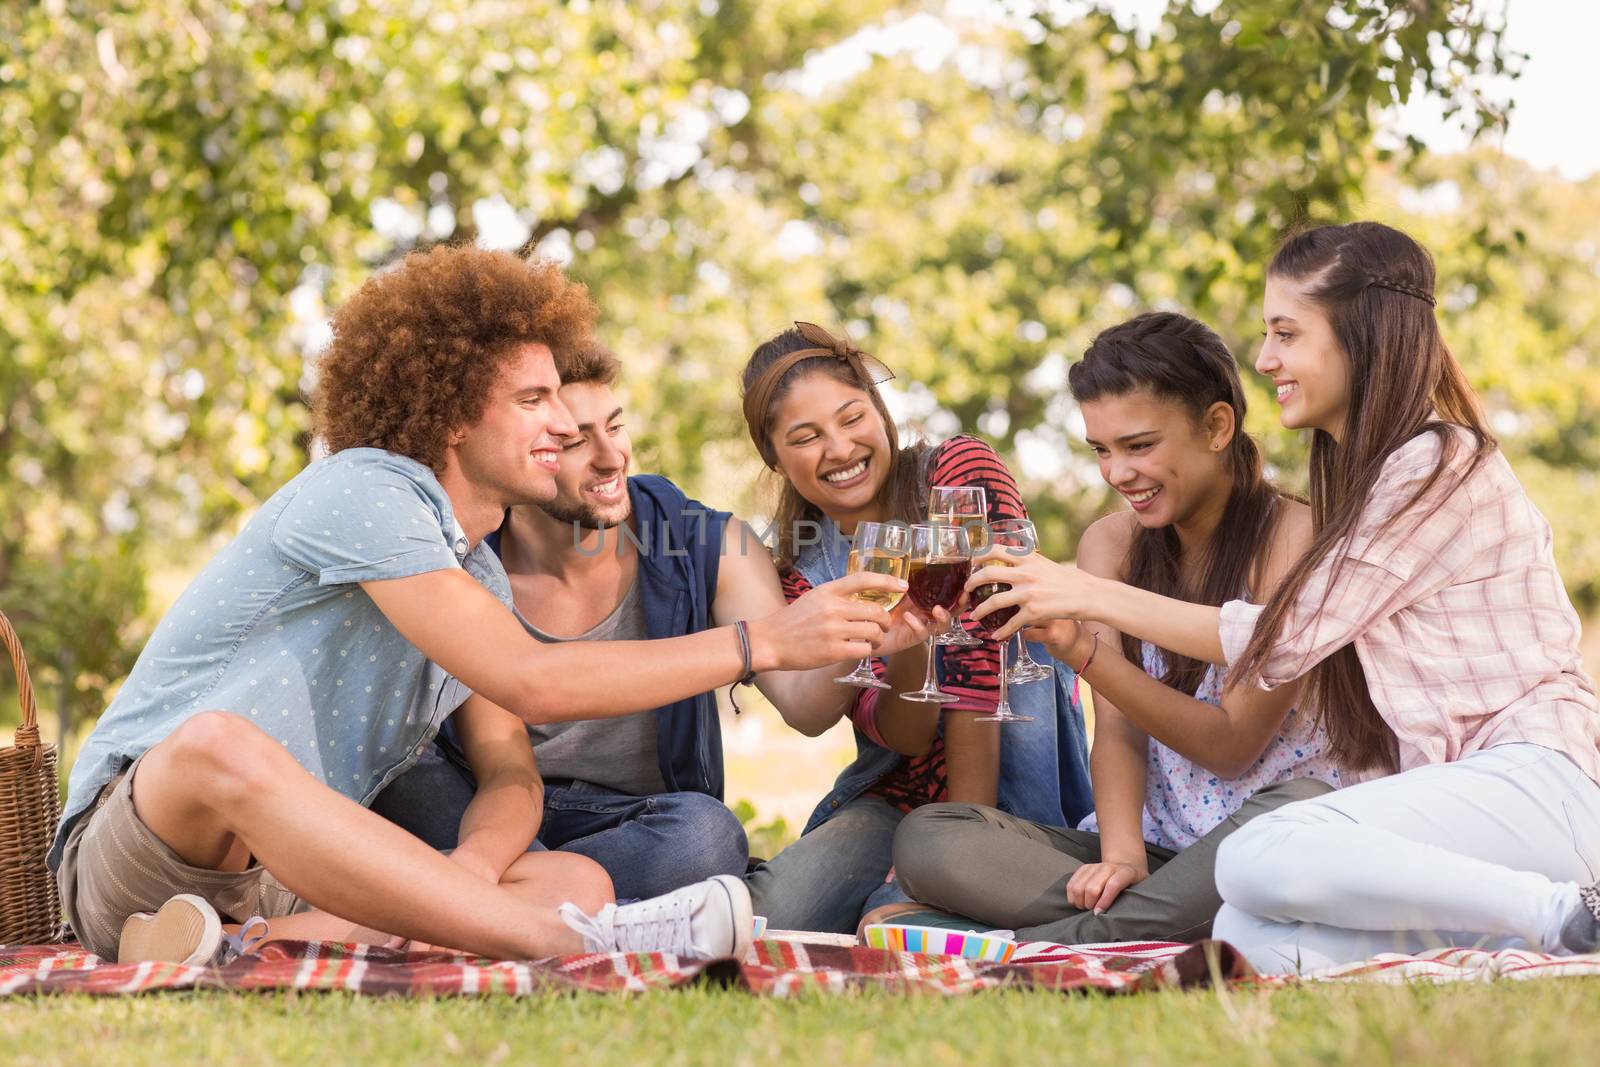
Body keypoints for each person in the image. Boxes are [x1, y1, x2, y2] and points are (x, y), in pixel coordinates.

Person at [52, 245, 908, 967]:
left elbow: (509, 769)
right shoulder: (363, 491)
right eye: (533, 402)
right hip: (152, 836)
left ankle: (233, 947)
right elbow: (534, 679)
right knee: (218, 742)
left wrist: (470, 866)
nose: (565, 429)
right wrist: (757, 641)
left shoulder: (476, 574)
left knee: (576, 876)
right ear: (455, 415)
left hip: (281, 877)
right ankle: (584, 946)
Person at [965, 222, 1600, 972]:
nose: (1265, 359)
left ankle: (1567, 912)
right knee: (1245, 930)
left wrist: (1087, 595)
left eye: (1286, 333)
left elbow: (1281, 635)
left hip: (1537, 773)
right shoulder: (1368, 476)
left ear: (1360, 336)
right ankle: (1533, 940)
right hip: (1456, 791)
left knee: (1258, 851)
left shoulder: (1435, 462)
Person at [373, 346, 936, 900]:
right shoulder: (465, 561)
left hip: (630, 823)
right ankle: (528, 900)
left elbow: (808, 710)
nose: (610, 457)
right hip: (478, 802)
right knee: (401, 777)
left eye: (615, 427)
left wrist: (851, 624)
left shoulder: (710, 544)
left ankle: (456, 898)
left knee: (706, 838)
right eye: (574, 442)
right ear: (530, 450)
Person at [891, 312, 1341, 944]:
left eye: (1139, 446)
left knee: (1302, 809)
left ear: (1217, 426)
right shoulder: (1112, 542)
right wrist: (1123, 856)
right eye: (1101, 450)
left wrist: (1083, 641)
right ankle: (1159, 922)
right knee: (931, 836)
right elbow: (1120, 733)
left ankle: (1073, 939)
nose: (1117, 473)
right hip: (1162, 855)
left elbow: (1231, 745)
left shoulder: (1295, 535)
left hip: (1265, 836)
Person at [739, 321, 1094, 935]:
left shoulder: (956, 469)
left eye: (852, 418)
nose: (841, 448)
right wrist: (910, 650)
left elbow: (986, 662)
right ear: (775, 456)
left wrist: (959, 849)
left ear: (879, 410)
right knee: (774, 919)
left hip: (1011, 782)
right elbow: (901, 738)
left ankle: (946, 897)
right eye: (806, 436)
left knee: (897, 924)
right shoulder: (803, 576)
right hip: (896, 796)